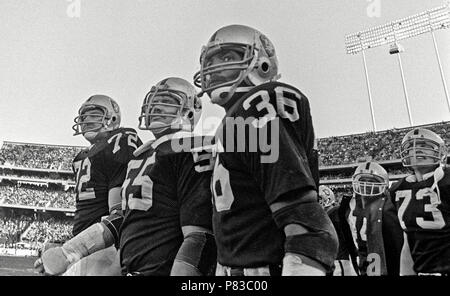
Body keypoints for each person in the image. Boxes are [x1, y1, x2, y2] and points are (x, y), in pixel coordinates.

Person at [194, 24, 338, 276]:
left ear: (261, 63)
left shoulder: (261, 100)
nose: (214, 68)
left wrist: (303, 259)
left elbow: (305, 222)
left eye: (227, 57)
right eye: (211, 60)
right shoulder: (229, 124)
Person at [119, 77, 216, 276]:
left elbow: (199, 235)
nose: (156, 107)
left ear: (190, 110)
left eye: (167, 101)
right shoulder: (140, 156)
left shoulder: (192, 147)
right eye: (153, 102)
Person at [35, 95, 141, 275]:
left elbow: (118, 215)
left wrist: (69, 252)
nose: (86, 120)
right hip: (87, 247)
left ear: (112, 118)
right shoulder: (82, 157)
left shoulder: (118, 143)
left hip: (106, 247)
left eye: (94, 114)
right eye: (84, 116)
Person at [389, 128, 450, 275]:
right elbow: (408, 243)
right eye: (410, 147)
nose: (417, 149)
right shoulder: (399, 188)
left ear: (441, 152)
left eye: (425, 145)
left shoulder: (446, 180)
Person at [347, 161, 403, 276]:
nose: (367, 185)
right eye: (363, 181)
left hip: (386, 262)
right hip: (364, 261)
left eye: (372, 181)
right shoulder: (347, 207)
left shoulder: (390, 205)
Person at [318, 185, 358, 276]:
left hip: (339, 261)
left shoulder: (334, 213)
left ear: (326, 200)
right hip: (334, 260)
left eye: (319, 200)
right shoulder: (330, 214)